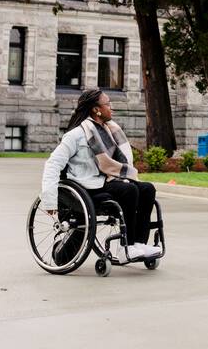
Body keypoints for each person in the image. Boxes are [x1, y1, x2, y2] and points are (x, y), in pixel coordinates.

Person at [40, 88, 159, 261]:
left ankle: (139, 243)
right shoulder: (75, 135)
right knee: (129, 190)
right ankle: (126, 246)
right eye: (108, 104)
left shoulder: (110, 131)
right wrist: (50, 200)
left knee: (147, 189)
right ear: (96, 109)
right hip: (87, 187)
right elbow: (53, 164)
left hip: (107, 181)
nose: (112, 108)